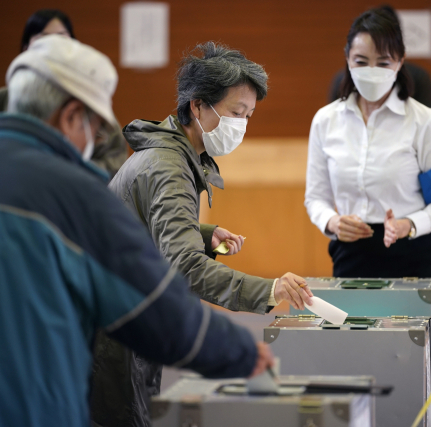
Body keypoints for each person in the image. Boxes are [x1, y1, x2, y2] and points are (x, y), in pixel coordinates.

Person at [0, 35, 273, 427]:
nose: (93, 142)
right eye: (95, 128)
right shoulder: (76, 196)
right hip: (30, 406)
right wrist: (240, 352)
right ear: (72, 115)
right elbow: (156, 305)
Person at [91, 42, 313, 427]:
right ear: (197, 106)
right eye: (235, 113)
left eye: (249, 115)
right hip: (114, 333)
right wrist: (269, 289)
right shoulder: (169, 166)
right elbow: (185, 267)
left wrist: (200, 231)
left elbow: (142, 223)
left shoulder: (172, 152)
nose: (241, 125)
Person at [304, 6, 431, 422]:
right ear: (347, 59)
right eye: (361, 61)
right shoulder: (326, 121)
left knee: (423, 380)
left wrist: (410, 223)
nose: (372, 70)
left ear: (399, 62)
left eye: (383, 61)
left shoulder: (425, 122)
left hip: (417, 255)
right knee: (355, 371)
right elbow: (315, 198)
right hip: (352, 254)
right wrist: (331, 221)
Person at [0, 9, 127, 177]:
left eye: (62, 38)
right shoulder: (0, 100)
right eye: (43, 38)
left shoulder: (92, 105)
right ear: (26, 49)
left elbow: (114, 164)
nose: (54, 45)